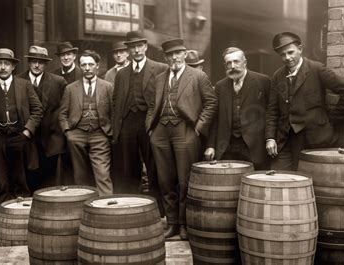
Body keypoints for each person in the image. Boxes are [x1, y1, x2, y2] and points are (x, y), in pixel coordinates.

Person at [146, 38, 215, 240]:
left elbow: (211, 103)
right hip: (160, 132)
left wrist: (198, 127)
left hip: (185, 130)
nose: (174, 57)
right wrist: (150, 129)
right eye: (169, 54)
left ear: (185, 54)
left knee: (185, 181)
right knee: (165, 180)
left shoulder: (198, 76)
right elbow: (151, 107)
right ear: (165, 57)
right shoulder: (159, 78)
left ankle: (185, 224)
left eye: (177, 53)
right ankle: (172, 223)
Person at [265, 32, 344, 170]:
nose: (287, 58)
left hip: (316, 137)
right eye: (282, 55)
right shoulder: (278, 76)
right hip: (287, 138)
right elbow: (272, 110)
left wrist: (332, 120)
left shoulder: (317, 69)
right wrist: (270, 138)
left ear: (300, 49)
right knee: (280, 177)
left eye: (291, 52)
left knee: (314, 179)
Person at [112, 31, 167, 214]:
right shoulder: (122, 74)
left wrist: (157, 125)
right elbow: (115, 101)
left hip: (149, 123)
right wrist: (117, 127)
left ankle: (156, 209)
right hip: (127, 123)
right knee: (129, 167)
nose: (136, 50)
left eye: (139, 46)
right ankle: (131, 208)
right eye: (132, 47)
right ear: (128, 50)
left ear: (145, 46)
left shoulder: (159, 68)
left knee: (153, 167)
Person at [0, 48, 43, 208]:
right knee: (1, 182)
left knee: (22, 180)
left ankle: (23, 220)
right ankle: (4, 223)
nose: (2, 67)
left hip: (20, 138)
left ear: (13, 66)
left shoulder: (25, 85)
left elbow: (37, 110)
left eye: (6, 64)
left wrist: (28, 130)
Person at [204, 47, 271, 169]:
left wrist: (270, 139)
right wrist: (211, 145)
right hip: (227, 146)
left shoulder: (263, 81)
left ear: (245, 62)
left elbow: (271, 114)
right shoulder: (220, 86)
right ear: (225, 66)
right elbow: (215, 119)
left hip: (254, 146)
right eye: (229, 63)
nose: (233, 66)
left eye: (236, 61)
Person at [58, 50, 114, 195]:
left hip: (100, 134)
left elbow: (114, 112)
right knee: (79, 174)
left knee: (102, 173)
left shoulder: (107, 87)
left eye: (90, 64)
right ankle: (83, 206)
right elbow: (62, 113)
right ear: (80, 66)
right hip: (76, 134)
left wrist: (110, 132)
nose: (87, 68)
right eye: (84, 65)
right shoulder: (70, 88)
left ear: (97, 66)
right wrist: (67, 132)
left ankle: (105, 206)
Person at [17, 45, 67, 190]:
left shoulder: (58, 82)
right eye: (33, 61)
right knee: (29, 176)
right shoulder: (18, 80)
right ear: (29, 62)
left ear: (45, 64)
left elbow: (64, 108)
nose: (37, 65)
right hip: (27, 136)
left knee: (50, 179)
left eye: (40, 62)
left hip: (51, 137)